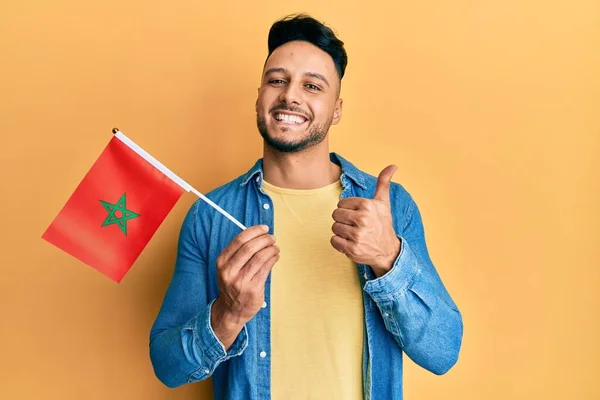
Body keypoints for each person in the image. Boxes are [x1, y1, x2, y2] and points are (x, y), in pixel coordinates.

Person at [149, 13, 463, 400]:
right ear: (260, 95)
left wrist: (389, 258)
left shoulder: (390, 210)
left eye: (312, 85)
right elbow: (167, 366)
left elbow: (444, 352)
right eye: (277, 80)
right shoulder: (210, 215)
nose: (290, 95)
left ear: (336, 109)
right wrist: (227, 315)